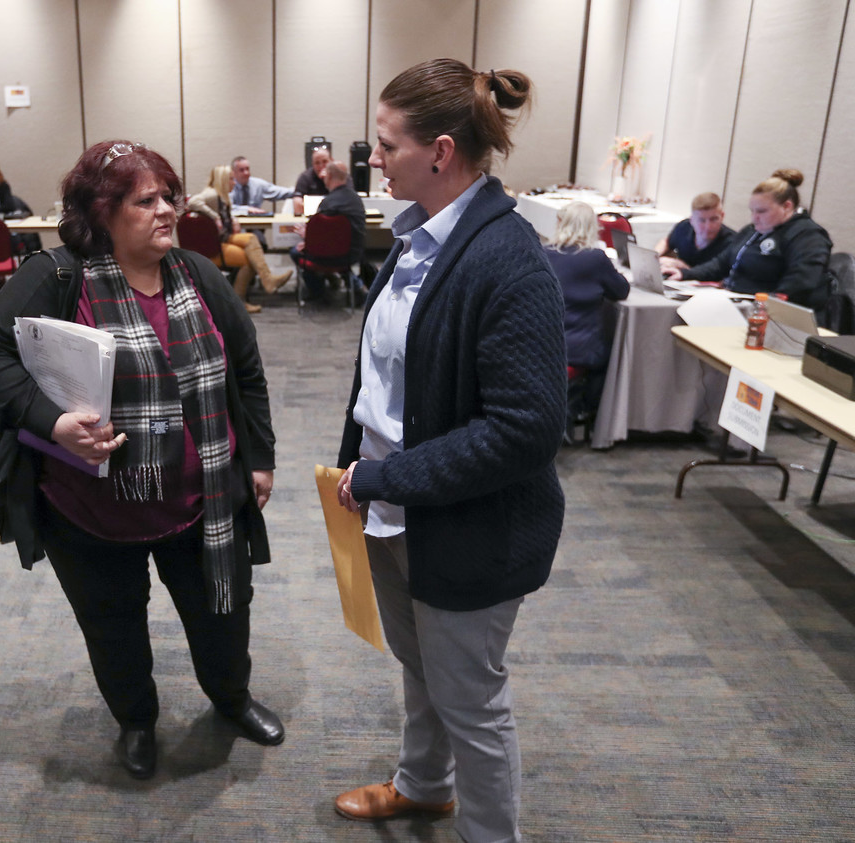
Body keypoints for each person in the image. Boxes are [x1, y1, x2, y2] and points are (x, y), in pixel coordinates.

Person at [0, 140, 283, 781]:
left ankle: (231, 699)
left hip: (201, 503)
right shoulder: (57, 278)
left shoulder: (199, 276)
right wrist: (53, 423)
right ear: (103, 212)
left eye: (169, 195)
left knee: (222, 614)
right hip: (87, 509)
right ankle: (136, 722)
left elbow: (246, 373)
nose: (168, 209)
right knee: (113, 628)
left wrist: (260, 458)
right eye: (147, 201)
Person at [332, 59, 565, 843]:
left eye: (384, 144)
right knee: (422, 670)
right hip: (399, 508)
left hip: (468, 524)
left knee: (472, 700)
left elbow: (525, 428)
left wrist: (386, 474)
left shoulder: (507, 258)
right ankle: (425, 787)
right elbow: (391, 381)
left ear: (438, 151)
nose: (372, 156)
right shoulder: (417, 238)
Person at [668, 169, 833, 309]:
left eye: (761, 211)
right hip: (734, 301)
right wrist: (684, 274)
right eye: (752, 211)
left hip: (764, 313)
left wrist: (757, 306)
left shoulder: (808, 236)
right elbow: (721, 264)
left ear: (787, 206)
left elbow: (797, 288)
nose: (754, 218)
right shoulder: (753, 231)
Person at [544, 202, 630, 417]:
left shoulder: (543, 253)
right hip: (579, 348)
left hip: (543, 342)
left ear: (560, 223)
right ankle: (588, 410)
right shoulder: (595, 258)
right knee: (614, 354)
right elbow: (621, 290)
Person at [187, 164, 293, 313]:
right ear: (223, 180)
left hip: (223, 238)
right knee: (248, 259)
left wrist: (232, 219)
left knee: (251, 238)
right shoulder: (211, 194)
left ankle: (267, 279)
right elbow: (192, 202)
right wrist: (215, 216)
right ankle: (241, 301)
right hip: (214, 246)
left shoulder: (222, 196)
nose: (234, 182)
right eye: (231, 179)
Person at [290, 161, 367, 304]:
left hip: (323, 256)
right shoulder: (356, 200)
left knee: (295, 252)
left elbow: (324, 236)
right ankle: (351, 284)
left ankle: (318, 291)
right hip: (351, 254)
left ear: (329, 176)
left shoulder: (328, 203)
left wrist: (307, 240)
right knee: (335, 256)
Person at [656, 191, 734, 272]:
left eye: (714, 219)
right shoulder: (684, 227)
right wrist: (655, 257)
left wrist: (685, 269)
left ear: (722, 216)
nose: (708, 226)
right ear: (692, 220)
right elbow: (667, 242)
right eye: (702, 220)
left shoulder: (732, 243)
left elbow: (724, 279)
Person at [291, 145, 353, 214]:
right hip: (312, 217)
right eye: (317, 163)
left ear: (331, 161)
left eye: (325, 161)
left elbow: (349, 200)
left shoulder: (341, 175)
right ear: (312, 164)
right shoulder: (305, 177)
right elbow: (297, 205)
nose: (321, 166)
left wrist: (329, 180)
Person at [228, 156, 294, 214]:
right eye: (241, 170)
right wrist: (247, 209)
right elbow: (228, 207)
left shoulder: (258, 185)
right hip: (234, 225)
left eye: (247, 169)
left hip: (255, 226)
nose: (246, 173)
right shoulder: (229, 186)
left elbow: (281, 192)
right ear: (233, 172)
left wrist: (300, 190)